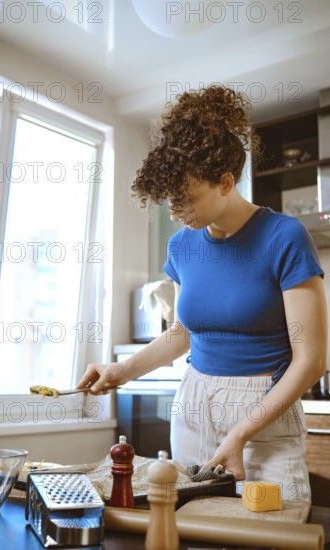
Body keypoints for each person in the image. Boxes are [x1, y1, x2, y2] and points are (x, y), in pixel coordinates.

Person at [77, 85, 328, 502]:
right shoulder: (181, 245)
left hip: (265, 411)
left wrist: (242, 431)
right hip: (193, 404)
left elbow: (312, 361)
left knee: (273, 532)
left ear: (225, 182)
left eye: (185, 199)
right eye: (169, 201)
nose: (175, 212)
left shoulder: (285, 237)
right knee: (196, 531)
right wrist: (120, 371)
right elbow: (182, 332)